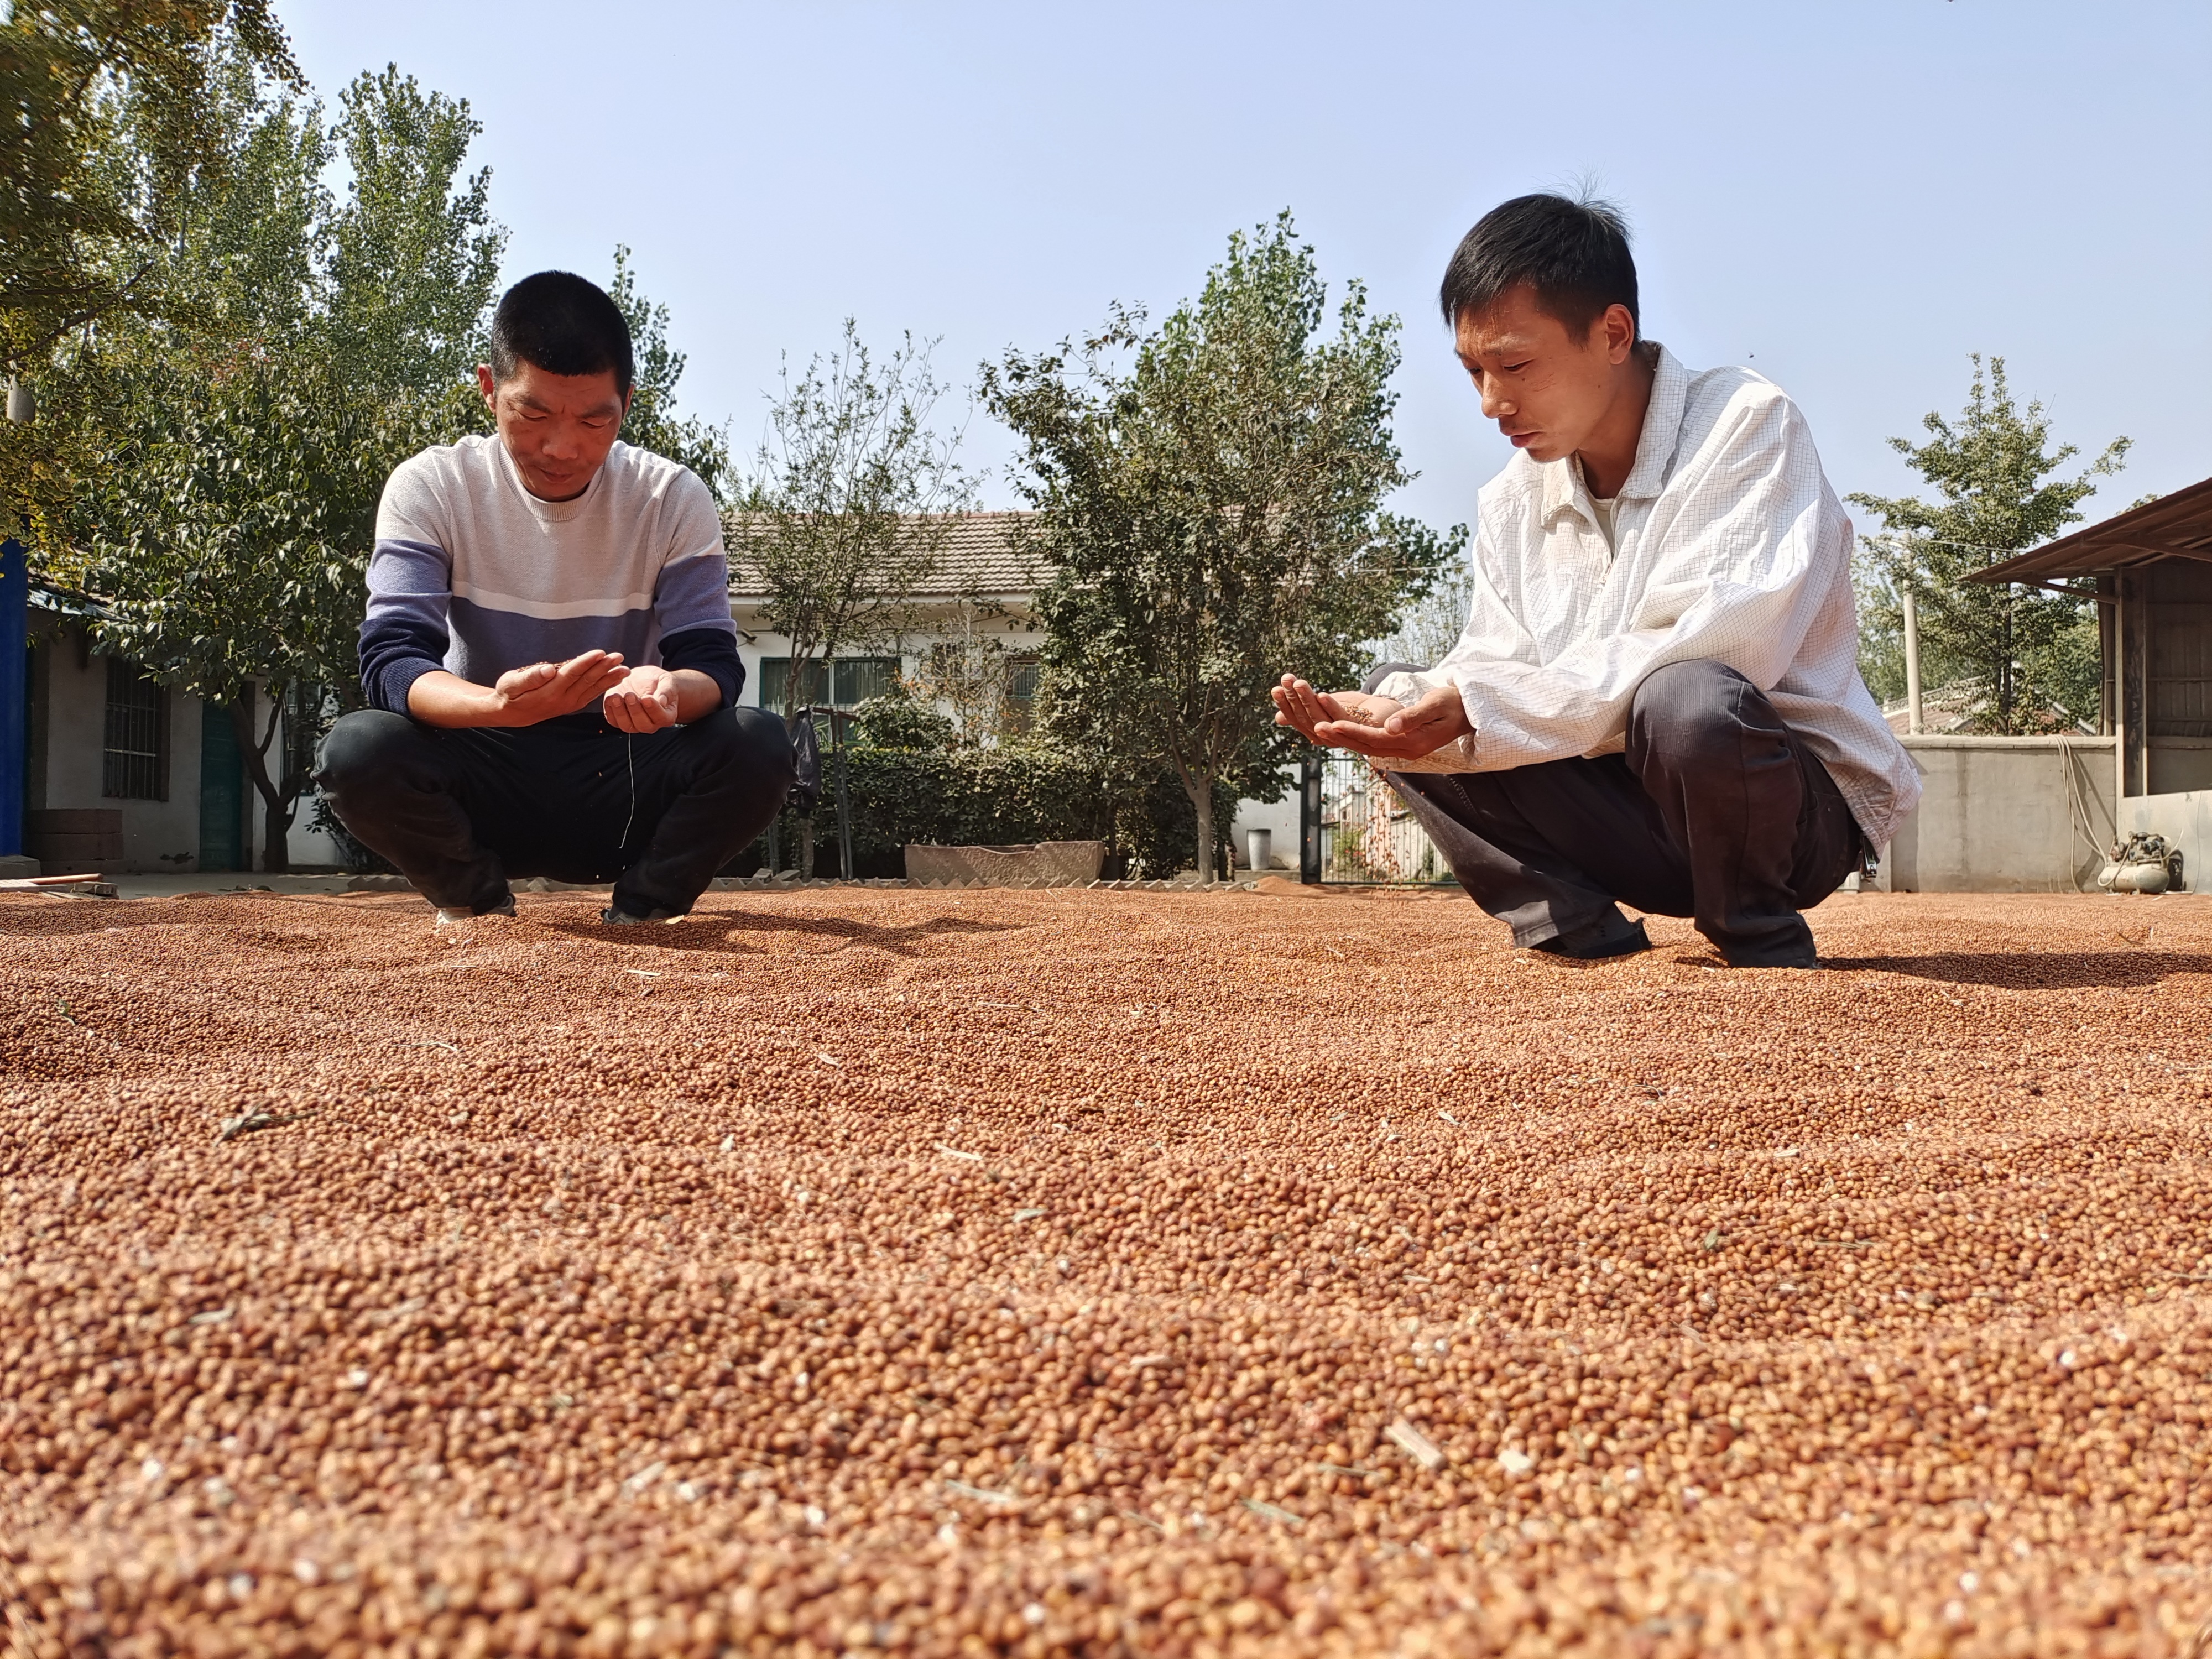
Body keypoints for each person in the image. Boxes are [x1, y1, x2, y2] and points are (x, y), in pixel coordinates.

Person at [1273, 195, 1917, 969]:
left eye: (1515, 365)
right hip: (1629, 821)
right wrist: (1409, 711)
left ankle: (1758, 940)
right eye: (1474, 371)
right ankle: (1577, 926)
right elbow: (1494, 664)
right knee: (1403, 696)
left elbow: (1727, 646)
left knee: (1687, 697)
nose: (1492, 402)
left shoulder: (1746, 424)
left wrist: (1480, 703)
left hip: (1788, 822)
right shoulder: (1511, 499)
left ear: (1613, 334)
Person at [317, 270, 794, 925]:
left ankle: (646, 908)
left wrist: (665, 691)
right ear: (489, 388)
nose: (563, 448)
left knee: (758, 742)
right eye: (533, 414)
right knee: (358, 749)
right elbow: (393, 661)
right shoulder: (433, 487)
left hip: (623, 778)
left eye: (596, 420)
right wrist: (497, 707)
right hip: (482, 768)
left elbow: (712, 665)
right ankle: (475, 901)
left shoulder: (671, 498)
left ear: (627, 402)